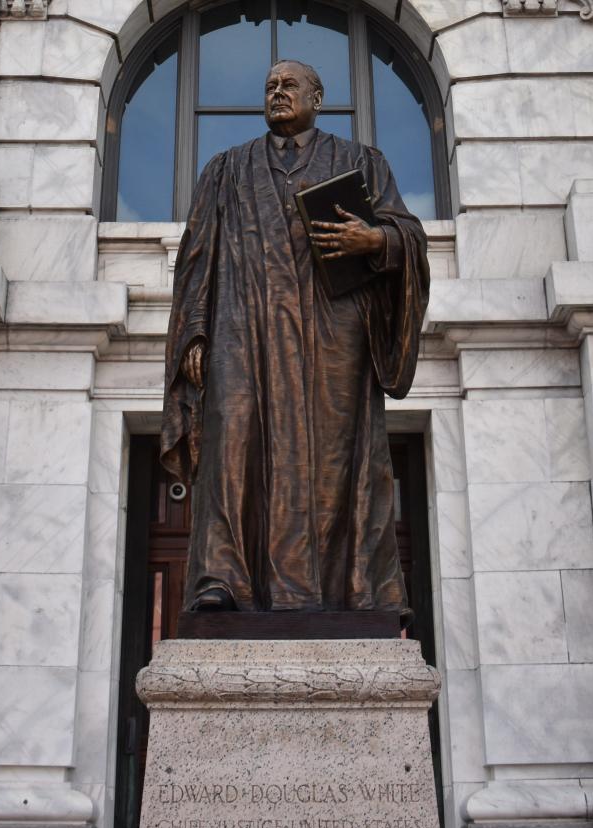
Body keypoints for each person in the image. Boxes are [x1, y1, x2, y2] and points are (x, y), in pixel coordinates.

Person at [160, 59, 429, 616]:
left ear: (319, 95)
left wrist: (374, 240)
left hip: (334, 331)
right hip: (243, 326)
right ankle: (222, 580)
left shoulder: (361, 163)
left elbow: (409, 236)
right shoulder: (225, 170)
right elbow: (196, 256)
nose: (277, 93)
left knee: (335, 456)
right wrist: (193, 329)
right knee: (232, 442)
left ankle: (353, 589)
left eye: (289, 85)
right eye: (269, 87)